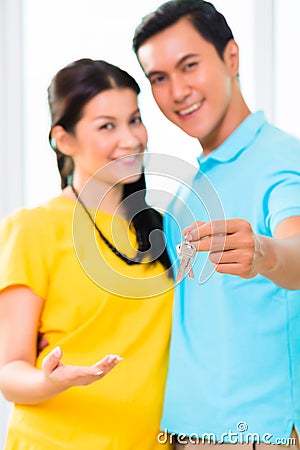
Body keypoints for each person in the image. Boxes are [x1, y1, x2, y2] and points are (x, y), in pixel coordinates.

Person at [133, 0, 300, 448]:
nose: (178, 91)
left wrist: (262, 253)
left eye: (189, 66)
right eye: (159, 79)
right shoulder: (192, 181)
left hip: (251, 433)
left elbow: (296, 251)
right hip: (181, 428)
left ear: (231, 57)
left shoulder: (283, 160)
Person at [0, 58, 174, 450]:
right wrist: (49, 381)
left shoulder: (161, 228)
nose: (130, 138)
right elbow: (10, 371)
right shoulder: (33, 228)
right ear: (63, 140)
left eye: (134, 119)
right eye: (106, 126)